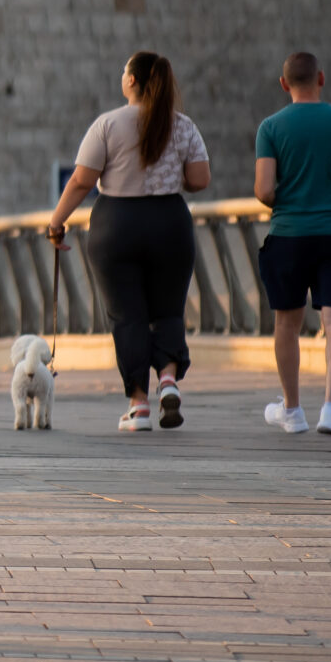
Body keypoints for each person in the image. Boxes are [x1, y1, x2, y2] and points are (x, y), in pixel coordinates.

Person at [45, 52, 209, 430]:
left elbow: (82, 181)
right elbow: (200, 179)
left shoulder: (107, 124)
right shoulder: (183, 126)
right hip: (169, 223)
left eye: (124, 71)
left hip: (117, 224)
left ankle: (139, 406)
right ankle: (168, 380)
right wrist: (169, 177)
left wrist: (57, 222)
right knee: (168, 308)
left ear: (132, 81)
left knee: (128, 315)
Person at [252, 50, 331, 438]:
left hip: (288, 235)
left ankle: (291, 411)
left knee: (287, 322)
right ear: (321, 78)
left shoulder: (270, 127)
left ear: (283, 84)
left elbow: (262, 190)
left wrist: (290, 202)